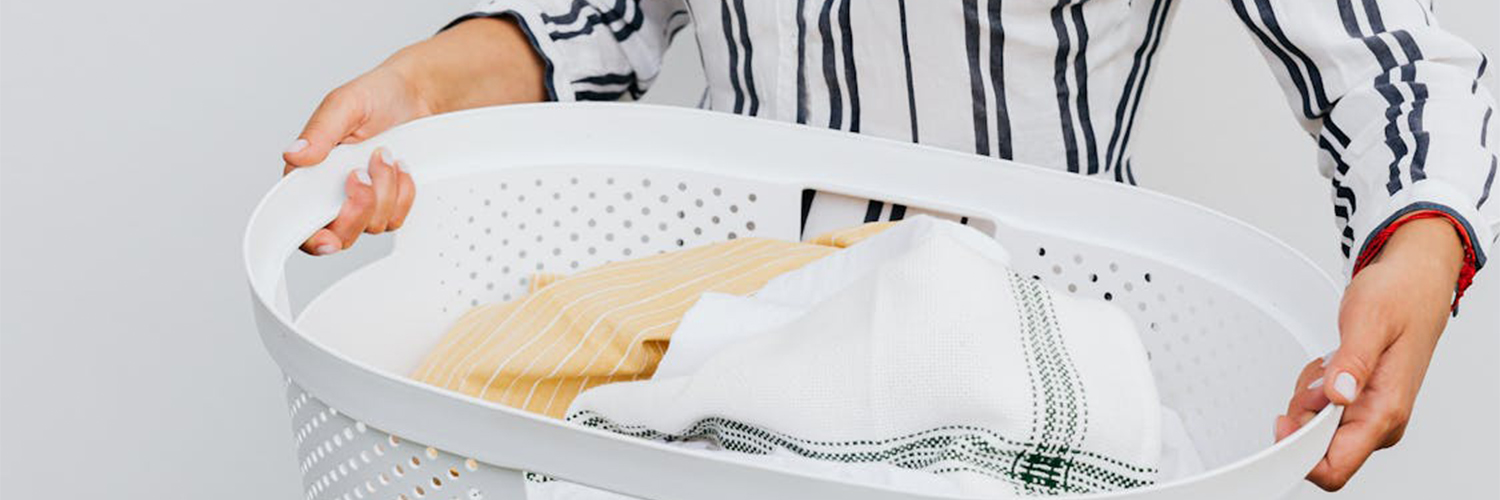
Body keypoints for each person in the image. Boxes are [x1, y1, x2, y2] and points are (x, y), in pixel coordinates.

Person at [280, 0, 1496, 491]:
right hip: (717, 344)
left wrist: (1422, 241)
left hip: (1036, 354)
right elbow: (597, 22)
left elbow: (1391, 50)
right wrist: (431, 84)